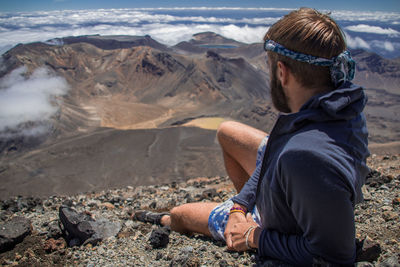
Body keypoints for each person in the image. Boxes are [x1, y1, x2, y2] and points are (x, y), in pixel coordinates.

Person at [134, 7, 369, 265]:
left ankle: (168, 220)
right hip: (298, 186)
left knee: (180, 214)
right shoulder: (339, 105)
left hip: (280, 218)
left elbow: (333, 257)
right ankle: (246, 212)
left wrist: (254, 236)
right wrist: (238, 206)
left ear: (283, 72)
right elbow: (275, 156)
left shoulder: (303, 158)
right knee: (228, 132)